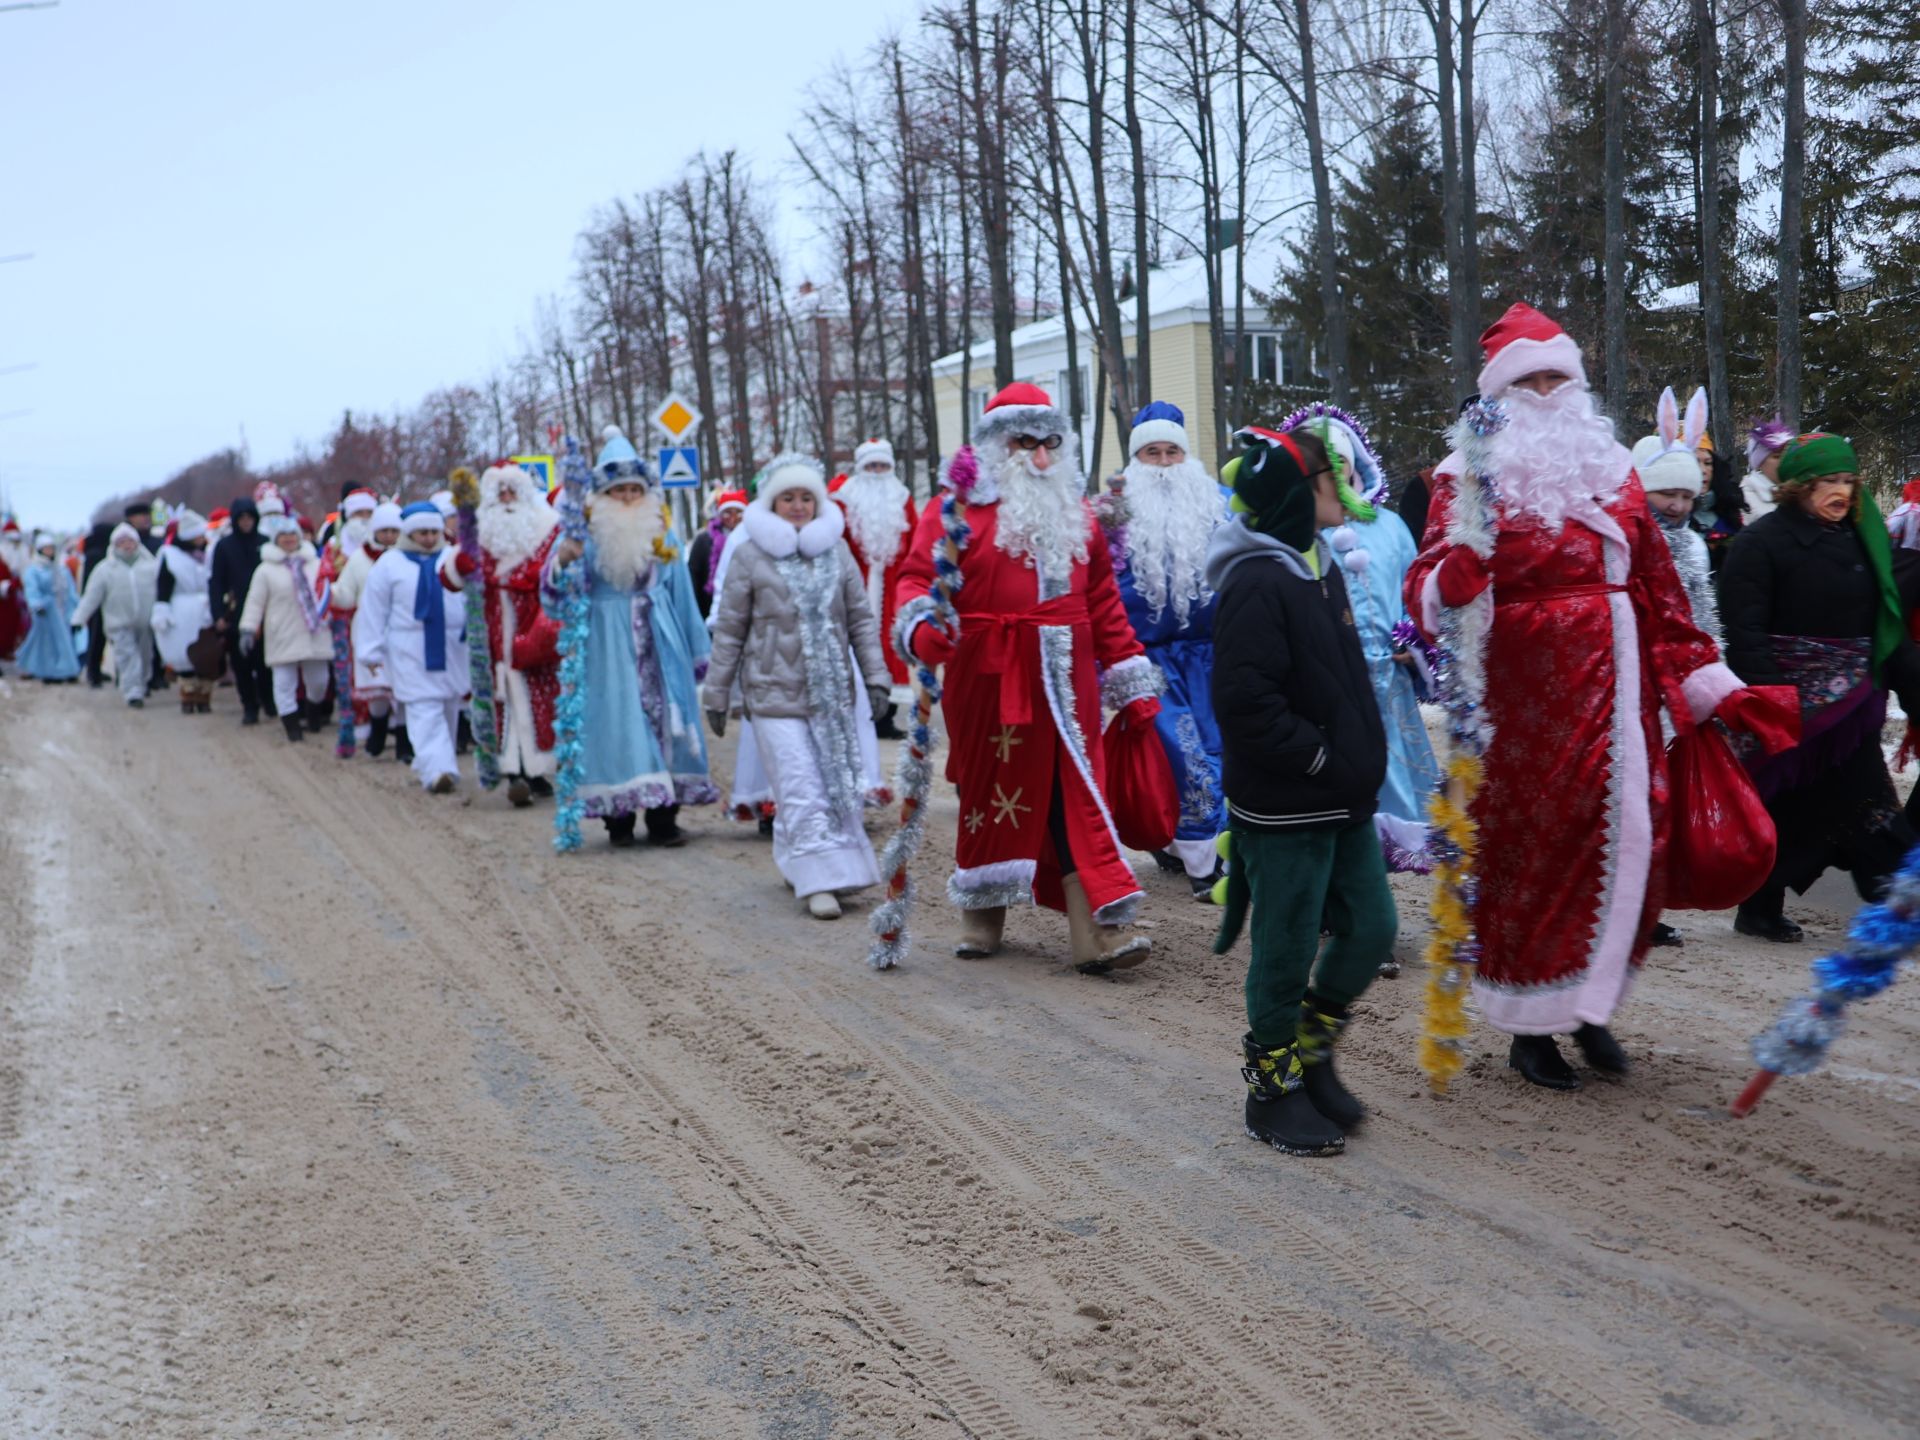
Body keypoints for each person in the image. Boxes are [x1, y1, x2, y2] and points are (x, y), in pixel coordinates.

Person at [1404, 303, 1752, 1091]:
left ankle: (1591, 1007)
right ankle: (1533, 1026)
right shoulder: (1467, 477)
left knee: (1627, 842)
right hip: (1525, 700)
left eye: (1559, 376)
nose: (1547, 391)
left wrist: (1707, 682)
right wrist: (1446, 584)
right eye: (1529, 380)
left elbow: (1659, 588)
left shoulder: (1613, 470)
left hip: (1619, 698)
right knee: (1536, 852)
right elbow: (1426, 582)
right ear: (1500, 393)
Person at [893, 382, 1162, 971]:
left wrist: (1128, 674)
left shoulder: (1077, 516)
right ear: (994, 445)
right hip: (987, 676)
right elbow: (914, 582)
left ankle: (1095, 932)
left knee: (1074, 797)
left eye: (1050, 444)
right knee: (988, 793)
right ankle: (983, 914)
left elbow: (1104, 603)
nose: (1040, 458)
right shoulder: (955, 512)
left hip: (1070, 686)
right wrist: (922, 628)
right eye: (1024, 443)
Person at [1208, 425, 1397, 1155]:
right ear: (1297, 497)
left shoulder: (1319, 566)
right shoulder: (1257, 581)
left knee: (1373, 927)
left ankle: (1312, 1051)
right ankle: (1271, 1090)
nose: (1344, 490)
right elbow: (1246, 703)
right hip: (1288, 803)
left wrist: (1356, 759)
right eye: (1329, 479)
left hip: (1343, 799)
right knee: (1284, 952)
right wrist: (1321, 761)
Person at [1719, 432, 1920, 942]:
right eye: (1829, 481)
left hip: (1849, 710)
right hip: (1789, 706)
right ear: (1799, 485)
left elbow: (1884, 629)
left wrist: (1915, 692)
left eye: (1848, 481)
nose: (1842, 492)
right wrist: (1773, 702)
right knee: (1796, 802)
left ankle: (1889, 911)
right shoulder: (1759, 543)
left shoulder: (1861, 541)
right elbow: (1743, 631)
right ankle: (1895, 911)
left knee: (1858, 801)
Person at [703, 456, 891, 917]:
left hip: (829, 693)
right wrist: (717, 691)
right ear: (772, 502)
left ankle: (818, 865)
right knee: (798, 783)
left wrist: (876, 677)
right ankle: (817, 882)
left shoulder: (837, 551)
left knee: (833, 783)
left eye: (806, 497)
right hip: (771, 693)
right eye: (788, 497)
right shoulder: (749, 555)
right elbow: (730, 630)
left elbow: (861, 623)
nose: (798, 506)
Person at [542, 427, 718, 846]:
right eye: (617, 490)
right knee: (616, 723)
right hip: (606, 646)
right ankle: (617, 816)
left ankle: (663, 817)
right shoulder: (581, 537)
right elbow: (554, 599)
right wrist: (561, 564)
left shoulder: (662, 535)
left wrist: (695, 649)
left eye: (633, 490)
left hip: (659, 640)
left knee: (668, 719)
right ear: (601, 496)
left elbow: (682, 596)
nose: (625, 498)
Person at [1291, 404, 1441, 878]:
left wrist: (1415, 642)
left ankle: (1384, 895)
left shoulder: (1391, 527)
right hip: (1328, 692)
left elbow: (1412, 589)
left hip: (1388, 686)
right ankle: (1346, 904)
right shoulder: (1298, 535)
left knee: (1400, 791)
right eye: (1324, 468)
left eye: (1343, 462)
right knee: (1341, 794)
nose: (1337, 475)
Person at [1096, 401, 1228, 899]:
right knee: (1184, 755)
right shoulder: (1111, 515)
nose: (1166, 463)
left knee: (1223, 757)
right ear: (1135, 460)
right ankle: (1202, 864)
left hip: (1214, 656)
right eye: (1153, 452)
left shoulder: (1219, 503)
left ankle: (1189, 845)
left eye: (1173, 451)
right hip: (1146, 661)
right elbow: (1096, 591)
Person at [456, 463, 561, 806]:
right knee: (504, 700)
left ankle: (536, 768)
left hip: (535, 624)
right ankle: (514, 770)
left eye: (512, 491)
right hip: (493, 629)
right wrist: (461, 568)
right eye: (499, 492)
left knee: (537, 700)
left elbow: (560, 573)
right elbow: (453, 574)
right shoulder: (477, 533)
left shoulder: (547, 530)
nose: (506, 498)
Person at [359, 503, 467, 791]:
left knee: (448, 707)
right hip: (409, 648)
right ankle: (439, 771)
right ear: (409, 533)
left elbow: (470, 596)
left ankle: (432, 760)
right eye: (422, 533)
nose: (429, 538)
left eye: (434, 531)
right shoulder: (389, 564)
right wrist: (370, 650)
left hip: (451, 648)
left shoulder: (452, 557)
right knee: (423, 708)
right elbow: (373, 610)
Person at [831, 439, 919, 738]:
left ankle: (886, 718)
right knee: (854, 646)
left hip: (894, 589)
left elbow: (917, 541)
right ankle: (853, 715)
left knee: (891, 649)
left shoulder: (901, 496)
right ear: (860, 468)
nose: (877, 472)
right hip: (854, 586)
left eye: (883, 465)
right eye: (871, 466)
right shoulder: (844, 500)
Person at [1632, 387, 1721, 645]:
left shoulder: (1693, 545)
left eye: (1687, 497)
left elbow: (1702, 611)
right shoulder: (1626, 541)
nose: (1678, 506)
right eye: (1668, 493)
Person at [239, 513, 337, 742]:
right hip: (282, 632)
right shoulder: (265, 570)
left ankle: (313, 712)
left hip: (315, 631)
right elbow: (255, 601)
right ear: (275, 539)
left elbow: (330, 592)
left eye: (293, 534)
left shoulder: (315, 563)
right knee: (284, 682)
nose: (289, 539)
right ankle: (291, 724)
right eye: (283, 535)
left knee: (319, 680)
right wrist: (248, 628)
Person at [332, 501, 404, 757]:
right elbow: (346, 595)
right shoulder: (359, 560)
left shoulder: (406, 557)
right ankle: (378, 730)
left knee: (404, 686)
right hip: (369, 630)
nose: (388, 537)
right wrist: (329, 593)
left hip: (402, 630)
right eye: (384, 531)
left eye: (394, 531)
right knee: (377, 690)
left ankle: (404, 741)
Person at [70, 522, 159, 706]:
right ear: (114, 545)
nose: (127, 545)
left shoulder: (150, 566)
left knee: (144, 656)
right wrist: (79, 618)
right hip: (119, 623)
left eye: (130, 541)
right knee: (127, 657)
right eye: (122, 542)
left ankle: (141, 684)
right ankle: (133, 692)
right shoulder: (105, 569)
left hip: (146, 621)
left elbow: (163, 591)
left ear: (137, 543)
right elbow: (91, 596)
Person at [210, 496, 271, 724]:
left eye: (249, 517)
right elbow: (216, 582)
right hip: (235, 612)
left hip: (264, 613)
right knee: (241, 663)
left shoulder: (265, 543)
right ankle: (249, 706)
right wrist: (218, 614)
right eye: (241, 518)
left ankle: (268, 699)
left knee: (265, 662)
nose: (246, 522)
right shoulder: (224, 546)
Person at [152, 509, 216, 713]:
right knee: (184, 654)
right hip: (182, 610)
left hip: (205, 608)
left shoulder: (209, 553)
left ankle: (204, 696)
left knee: (207, 654)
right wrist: (161, 611)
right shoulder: (170, 556)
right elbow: (163, 587)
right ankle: (188, 695)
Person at [17, 532, 81, 682]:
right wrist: (36, 604)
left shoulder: (60, 568)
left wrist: (78, 607)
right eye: (46, 549)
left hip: (63, 610)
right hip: (45, 611)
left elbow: (70, 589)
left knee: (66, 641)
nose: (49, 552)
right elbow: (31, 590)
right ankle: (49, 672)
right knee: (47, 644)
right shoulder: (34, 570)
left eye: (51, 548)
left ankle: (68, 670)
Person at [688, 489, 748, 621]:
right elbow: (693, 576)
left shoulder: (752, 538)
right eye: (727, 513)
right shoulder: (704, 540)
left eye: (738, 512)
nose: (733, 518)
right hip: (709, 608)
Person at [79, 520, 115, 687]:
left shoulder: (93, 552)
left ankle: (95, 671)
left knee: (101, 639)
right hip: (99, 602)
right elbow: (89, 582)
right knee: (97, 638)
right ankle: (93, 672)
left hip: (103, 601)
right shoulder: (96, 554)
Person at [1741, 416, 1796, 523]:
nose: (1785, 460)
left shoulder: (1800, 492)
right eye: (1777, 456)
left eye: (1789, 455)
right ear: (1759, 463)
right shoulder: (1745, 498)